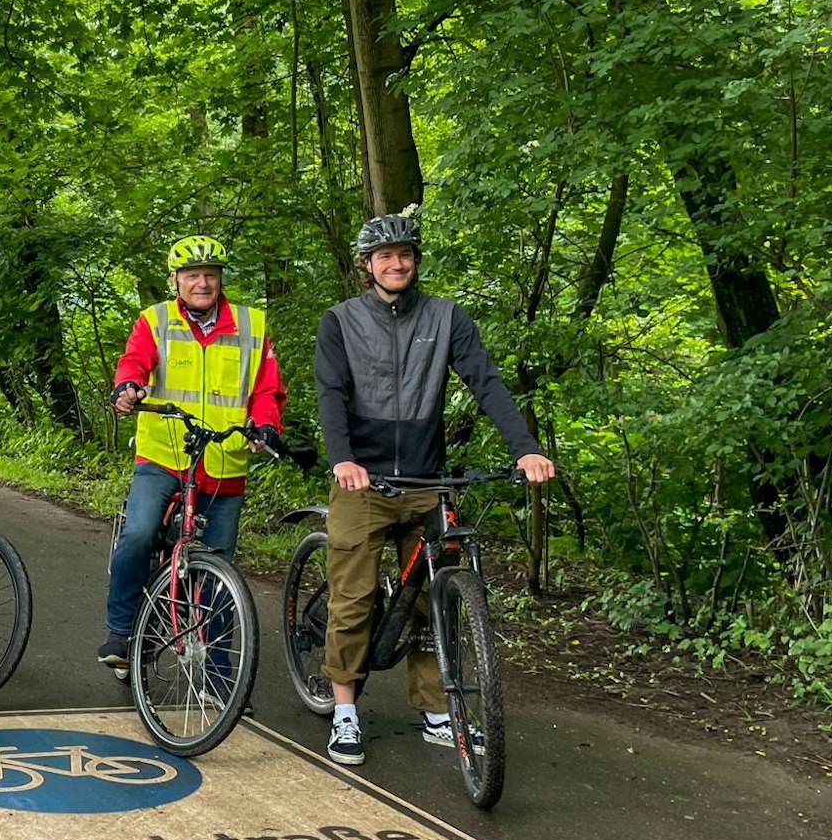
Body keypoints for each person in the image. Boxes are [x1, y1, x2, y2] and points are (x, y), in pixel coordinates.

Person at [314, 210, 555, 766]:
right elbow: (330, 392)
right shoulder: (341, 320)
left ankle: (436, 710)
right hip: (364, 481)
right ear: (367, 266)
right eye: (384, 256)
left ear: (415, 261)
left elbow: (486, 381)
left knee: (429, 602)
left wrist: (524, 447)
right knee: (352, 598)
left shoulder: (446, 318)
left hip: (427, 480)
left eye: (405, 255)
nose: (396, 263)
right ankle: (345, 709)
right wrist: (342, 459)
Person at [100, 236, 286, 673]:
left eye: (210, 275)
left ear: (221, 280)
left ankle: (220, 673)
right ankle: (121, 631)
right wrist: (128, 388)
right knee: (141, 533)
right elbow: (134, 363)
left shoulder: (251, 325)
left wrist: (265, 427)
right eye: (193, 276)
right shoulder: (156, 320)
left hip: (223, 462)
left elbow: (266, 390)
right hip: (164, 454)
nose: (202, 283)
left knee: (219, 572)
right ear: (176, 280)